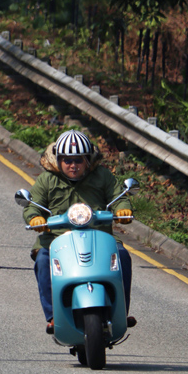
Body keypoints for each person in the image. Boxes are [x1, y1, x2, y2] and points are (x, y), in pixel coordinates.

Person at [24, 130, 136, 335]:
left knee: (122, 256)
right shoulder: (48, 179)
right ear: (58, 160)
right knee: (42, 260)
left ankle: (121, 311)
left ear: (87, 160)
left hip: (99, 236)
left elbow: (118, 196)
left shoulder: (102, 175)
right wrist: (35, 217)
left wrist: (122, 208)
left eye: (78, 160)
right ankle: (52, 316)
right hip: (56, 239)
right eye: (67, 160)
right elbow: (33, 205)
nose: (72, 165)